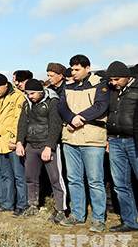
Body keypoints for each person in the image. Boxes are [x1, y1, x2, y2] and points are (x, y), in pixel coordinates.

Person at [58, 54, 110, 232]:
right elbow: (62, 106)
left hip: (92, 139)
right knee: (73, 179)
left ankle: (98, 218)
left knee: (95, 180)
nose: (73, 72)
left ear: (87, 68)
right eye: (72, 69)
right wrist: (72, 119)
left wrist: (81, 118)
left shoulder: (99, 82)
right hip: (70, 138)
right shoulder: (68, 84)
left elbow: (101, 106)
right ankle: (77, 215)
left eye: (77, 69)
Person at [15, 79, 67, 223]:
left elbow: (55, 125)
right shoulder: (27, 103)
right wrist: (19, 142)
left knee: (56, 179)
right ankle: (32, 205)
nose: (30, 96)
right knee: (30, 178)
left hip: (47, 146)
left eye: (32, 93)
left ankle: (60, 210)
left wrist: (49, 146)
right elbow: (22, 123)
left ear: (40, 91)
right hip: (31, 145)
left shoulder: (52, 102)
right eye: (27, 93)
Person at [0, 73, 27, 215]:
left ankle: (22, 204)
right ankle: (7, 203)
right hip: (0, 143)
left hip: (12, 143)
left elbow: (19, 120)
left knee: (19, 176)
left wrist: (15, 139)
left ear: (5, 85)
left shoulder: (18, 97)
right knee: (5, 175)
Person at [105, 61, 138, 232]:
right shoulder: (112, 91)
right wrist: (108, 138)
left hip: (134, 141)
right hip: (116, 141)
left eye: (116, 79)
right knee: (120, 184)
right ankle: (130, 221)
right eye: (111, 80)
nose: (113, 83)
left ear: (127, 76)